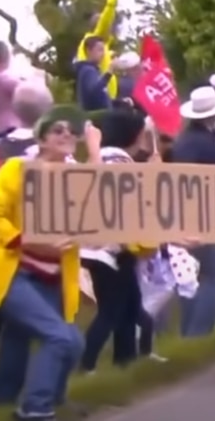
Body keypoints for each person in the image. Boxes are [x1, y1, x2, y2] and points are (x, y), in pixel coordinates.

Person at [0, 105, 100, 420]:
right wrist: (24, 239)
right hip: (12, 272)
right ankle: (34, 409)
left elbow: (105, 208)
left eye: (71, 131)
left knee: (58, 340)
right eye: (58, 130)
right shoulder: (16, 169)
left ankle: (15, 400)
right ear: (42, 138)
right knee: (59, 337)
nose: (67, 135)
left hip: (52, 276)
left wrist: (95, 150)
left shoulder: (74, 177)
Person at [80, 109, 158, 373]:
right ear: (135, 136)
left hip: (101, 248)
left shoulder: (103, 157)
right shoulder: (120, 163)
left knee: (130, 307)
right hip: (110, 250)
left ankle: (126, 362)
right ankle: (86, 365)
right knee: (111, 311)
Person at [169, 86, 215, 337]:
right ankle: (197, 334)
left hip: (178, 213)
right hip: (205, 214)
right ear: (214, 115)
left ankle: (187, 333)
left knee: (190, 278)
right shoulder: (208, 145)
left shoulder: (183, 142)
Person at [75, 0, 119, 99]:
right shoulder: (95, 38)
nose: (110, 29)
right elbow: (105, 22)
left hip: (105, 98)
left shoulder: (90, 43)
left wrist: (109, 54)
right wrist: (111, 3)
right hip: (101, 98)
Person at [75, 36, 116, 111]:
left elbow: (102, 97)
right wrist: (108, 73)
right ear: (89, 51)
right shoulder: (88, 70)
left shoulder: (95, 71)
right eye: (100, 50)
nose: (103, 54)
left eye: (104, 50)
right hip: (96, 118)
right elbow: (95, 92)